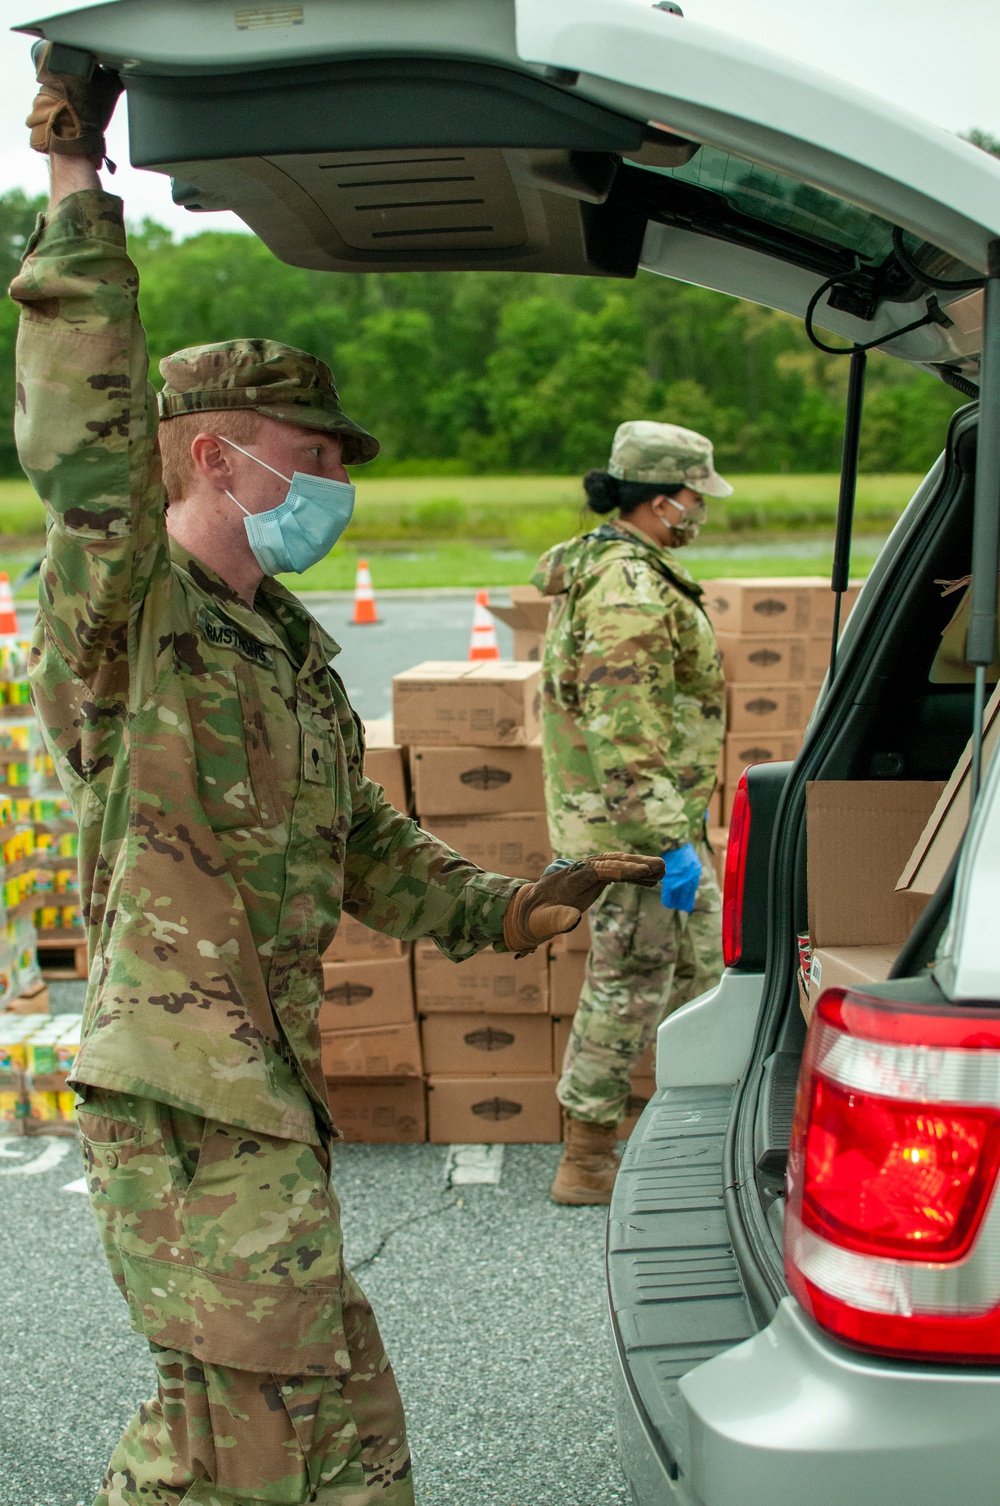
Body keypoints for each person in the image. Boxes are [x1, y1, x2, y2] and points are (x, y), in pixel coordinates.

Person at [12, 50, 665, 1506]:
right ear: (217, 457)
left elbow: (361, 837)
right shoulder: (131, 615)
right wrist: (73, 176)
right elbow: (77, 433)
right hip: (183, 1095)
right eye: (312, 458)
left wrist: (520, 904)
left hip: (263, 1083)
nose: (334, 487)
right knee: (253, 1428)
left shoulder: (284, 645)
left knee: (331, 1413)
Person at [535, 420, 730, 1206]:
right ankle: (586, 1158)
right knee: (629, 984)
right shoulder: (627, 588)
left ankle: (697, 1130)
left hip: (653, 822)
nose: (700, 511)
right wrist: (665, 842)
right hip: (637, 833)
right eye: (694, 498)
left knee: (706, 970)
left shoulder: (619, 570)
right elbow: (624, 724)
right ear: (660, 502)